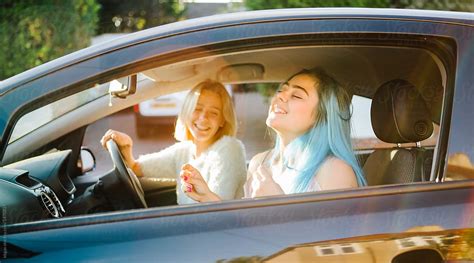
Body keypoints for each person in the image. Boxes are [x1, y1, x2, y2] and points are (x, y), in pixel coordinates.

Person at [182, 68, 367, 202]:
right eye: (282, 90)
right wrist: (209, 198)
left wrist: (278, 204)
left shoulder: (334, 170)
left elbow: (331, 248)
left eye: (297, 96)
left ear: (323, 116)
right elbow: (247, 229)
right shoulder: (259, 162)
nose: (281, 97)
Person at [101, 80, 247, 205]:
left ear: (222, 120)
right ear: (187, 111)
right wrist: (127, 145)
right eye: (197, 109)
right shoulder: (184, 151)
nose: (203, 118)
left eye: (214, 113)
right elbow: (135, 167)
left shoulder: (229, 149)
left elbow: (220, 212)